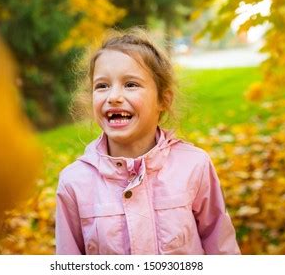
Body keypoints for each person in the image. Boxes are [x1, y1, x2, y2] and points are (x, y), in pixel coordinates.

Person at [55, 28, 241, 255]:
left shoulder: (194, 165)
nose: (113, 96)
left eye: (130, 84)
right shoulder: (74, 182)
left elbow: (221, 247)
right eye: (102, 86)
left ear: (163, 99)